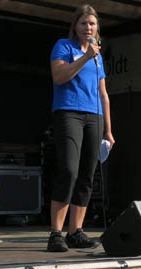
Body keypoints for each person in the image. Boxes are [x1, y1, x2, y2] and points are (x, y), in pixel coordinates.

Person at [47, 4, 115, 252]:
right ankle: (56, 232)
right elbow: (59, 76)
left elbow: (103, 93)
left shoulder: (98, 58)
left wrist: (108, 130)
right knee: (68, 170)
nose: (89, 27)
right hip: (69, 112)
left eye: (93, 24)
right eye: (84, 23)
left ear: (97, 28)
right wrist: (85, 56)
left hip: (94, 116)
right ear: (75, 26)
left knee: (88, 174)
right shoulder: (64, 47)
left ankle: (76, 231)